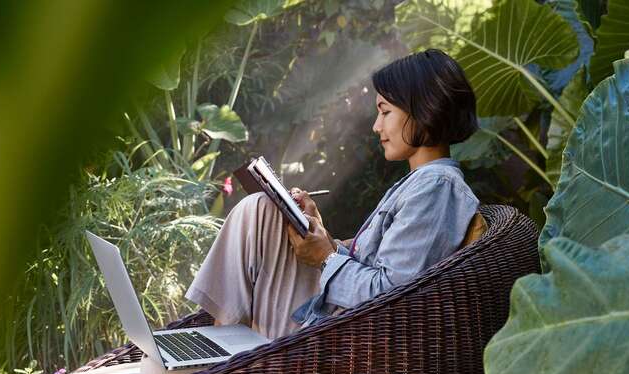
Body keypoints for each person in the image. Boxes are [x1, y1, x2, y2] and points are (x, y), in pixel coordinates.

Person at [184, 48, 480, 340]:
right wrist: (323, 237)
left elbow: (389, 297)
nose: (377, 126)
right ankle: (222, 344)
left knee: (258, 209)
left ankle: (220, 356)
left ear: (424, 111)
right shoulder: (424, 183)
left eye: (385, 112)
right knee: (264, 209)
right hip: (335, 311)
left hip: (341, 335)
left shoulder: (436, 188)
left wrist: (325, 257)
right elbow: (375, 268)